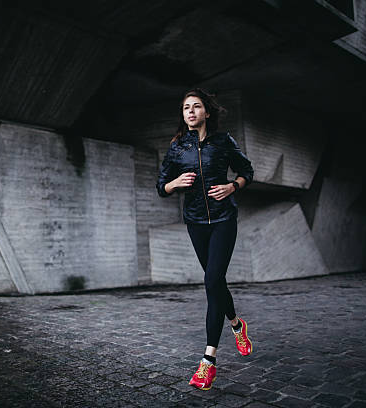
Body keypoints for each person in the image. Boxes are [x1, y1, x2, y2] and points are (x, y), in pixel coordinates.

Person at [155, 88, 254, 390]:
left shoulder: (223, 142)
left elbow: (247, 171)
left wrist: (231, 187)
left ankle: (208, 362)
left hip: (224, 220)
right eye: (186, 108)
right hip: (196, 222)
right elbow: (161, 186)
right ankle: (237, 324)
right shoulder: (177, 147)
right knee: (216, 281)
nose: (191, 112)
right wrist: (174, 183)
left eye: (197, 107)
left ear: (207, 113)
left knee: (212, 282)